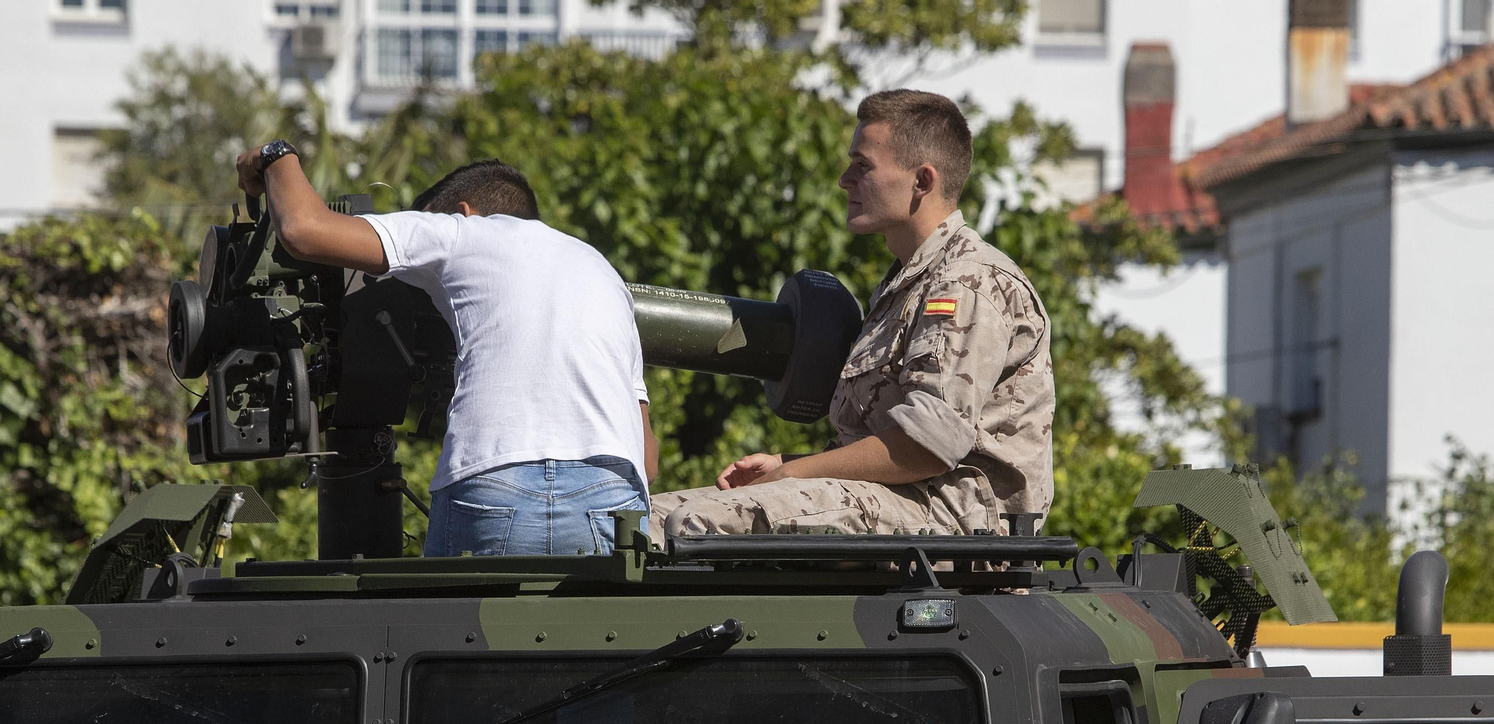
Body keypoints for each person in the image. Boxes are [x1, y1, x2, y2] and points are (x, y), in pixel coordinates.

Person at [649, 90, 1054, 543]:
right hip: (901, 506)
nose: (844, 180)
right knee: (636, 522)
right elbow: (886, 441)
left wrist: (793, 474)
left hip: (956, 525)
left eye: (862, 166)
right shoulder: (909, 281)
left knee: (691, 525)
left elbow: (926, 447)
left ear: (922, 181)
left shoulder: (965, 283)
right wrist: (786, 467)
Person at [234, 142, 658, 556]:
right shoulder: (605, 273)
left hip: (498, 478)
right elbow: (648, 459)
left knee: (440, 626)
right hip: (612, 493)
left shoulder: (461, 230)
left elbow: (303, 230)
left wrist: (274, 157)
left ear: (462, 212)